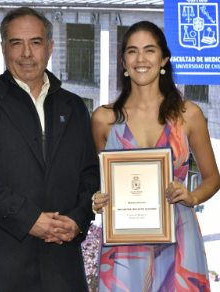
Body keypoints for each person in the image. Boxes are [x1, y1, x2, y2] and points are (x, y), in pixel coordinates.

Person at [0, 7, 100, 292]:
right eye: (16, 43)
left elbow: (89, 173)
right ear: (3, 49)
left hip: (63, 267)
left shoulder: (75, 107)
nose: (26, 53)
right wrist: (29, 219)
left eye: (35, 42)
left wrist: (79, 219)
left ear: (50, 48)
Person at [91, 21, 220, 291]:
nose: (140, 59)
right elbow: (99, 180)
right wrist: (97, 196)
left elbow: (212, 177)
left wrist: (193, 196)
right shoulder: (104, 119)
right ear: (123, 61)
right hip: (124, 246)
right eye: (132, 51)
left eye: (149, 50)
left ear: (164, 59)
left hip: (180, 238)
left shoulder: (189, 115)